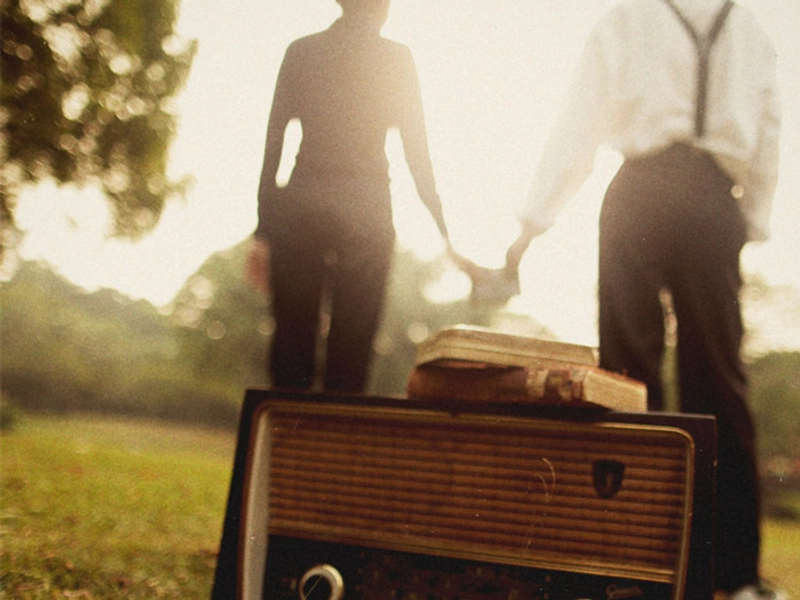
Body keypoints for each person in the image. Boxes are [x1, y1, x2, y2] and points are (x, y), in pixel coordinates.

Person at [505, 1, 782, 598]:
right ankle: (735, 577)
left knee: (626, 379)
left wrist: (532, 225)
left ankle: (625, 563)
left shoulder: (627, 19)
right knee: (719, 380)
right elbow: (769, 130)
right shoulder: (752, 32)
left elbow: (578, 123)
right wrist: (748, 219)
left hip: (641, 197)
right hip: (714, 200)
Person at [247, 0, 455, 393]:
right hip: (367, 211)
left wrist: (263, 231)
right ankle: (330, 449)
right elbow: (418, 154)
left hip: (301, 204)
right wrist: (446, 234)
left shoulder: (302, 50)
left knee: (292, 345)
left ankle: (284, 448)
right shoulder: (397, 59)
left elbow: (273, 145)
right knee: (352, 351)